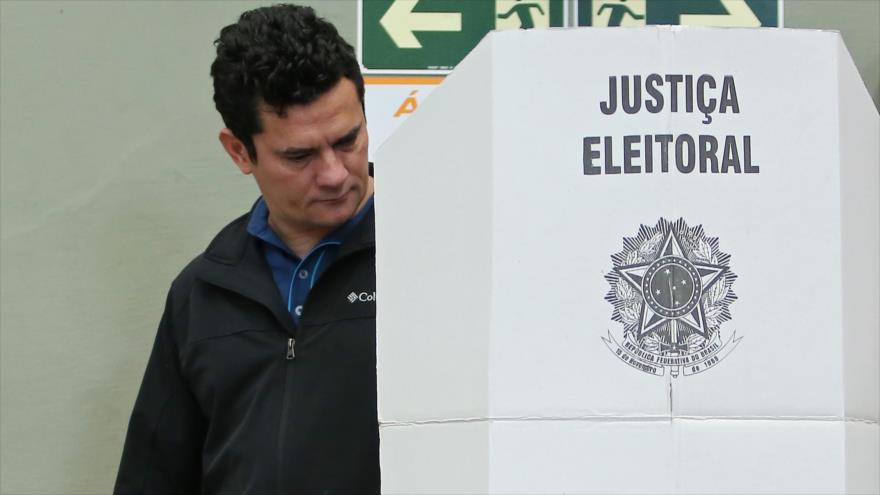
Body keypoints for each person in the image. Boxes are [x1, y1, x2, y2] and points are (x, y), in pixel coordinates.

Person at [114, 4, 379, 493]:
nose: (335, 173)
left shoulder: (431, 260)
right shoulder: (201, 293)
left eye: (348, 140)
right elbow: (151, 478)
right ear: (239, 151)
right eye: (298, 155)